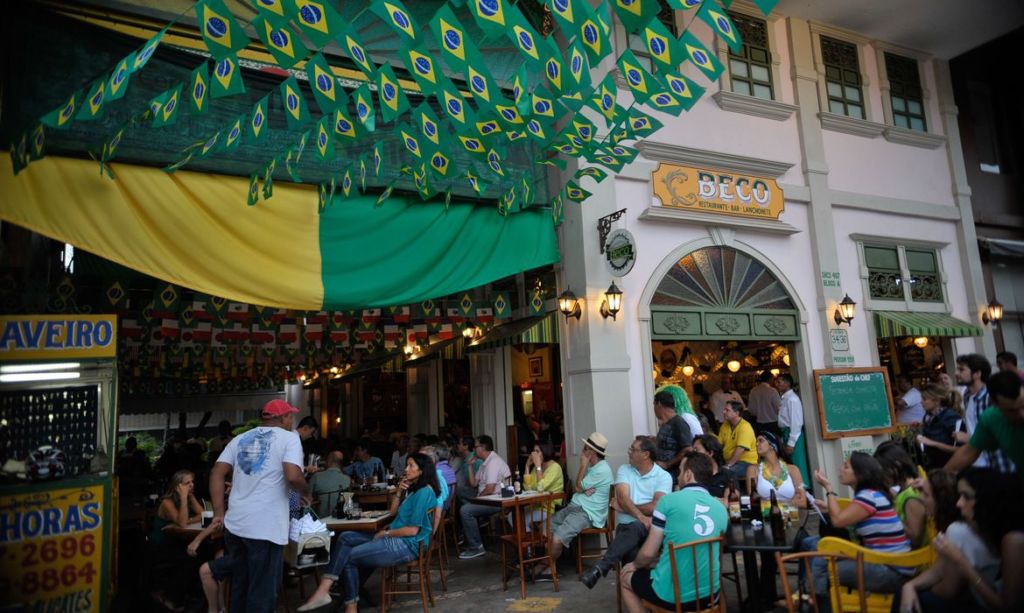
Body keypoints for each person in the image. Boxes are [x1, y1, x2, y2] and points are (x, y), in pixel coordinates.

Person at [297, 453, 439, 612]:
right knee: (345, 537)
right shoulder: (415, 490)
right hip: (397, 538)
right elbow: (392, 512)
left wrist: (385, 534)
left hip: (406, 545)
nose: (406, 469)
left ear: (422, 470)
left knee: (349, 557)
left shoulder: (424, 492)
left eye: (411, 465)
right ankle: (326, 588)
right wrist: (399, 491)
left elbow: (412, 530)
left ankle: (350, 605)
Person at [208, 399, 309, 613]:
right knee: (262, 594)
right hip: (265, 527)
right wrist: (305, 491)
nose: (292, 420)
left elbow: (216, 473)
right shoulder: (290, 438)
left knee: (241, 588)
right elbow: (292, 476)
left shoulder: (240, 439)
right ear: (283, 417)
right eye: (290, 416)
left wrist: (218, 512)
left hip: (236, 526)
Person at [897, 469, 1024, 613]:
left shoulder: (1015, 540)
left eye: (966, 497)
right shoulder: (979, 528)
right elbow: (940, 569)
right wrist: (910, 586)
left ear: (987, 500)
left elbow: (1006, 608)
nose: (958, 503)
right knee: (905, 592)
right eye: (959, 496)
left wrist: (960, 560)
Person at [620, 454, 728, 613]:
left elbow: (648, 553)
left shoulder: (667, 502)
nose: (677, 476)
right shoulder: (721, 509)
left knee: (625, 578)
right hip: (711, 596)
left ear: (688, 474)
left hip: (674, 597)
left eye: (680, 471)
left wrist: (634, 565)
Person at [803, 452, 912, 599]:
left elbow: (838, 520)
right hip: (886, 562)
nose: (840, 469)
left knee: (825, 569)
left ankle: (816, 603)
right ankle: (811, 599)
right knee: (821, 559)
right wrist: (829, 507)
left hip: (892, 571)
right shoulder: (871, 494)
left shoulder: (868, 496)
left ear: (860, 474)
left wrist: (828, 488)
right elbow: (850, 513)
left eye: (846, 467)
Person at [581, 436, 673, 589]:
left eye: (633, 449)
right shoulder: (624, 469)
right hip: (627, 529)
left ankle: (601, 568)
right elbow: (623, 498)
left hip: (653, 529)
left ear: (646, 454)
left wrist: (625, 508)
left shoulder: (663, 476)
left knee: (636, 531)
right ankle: (643, 593)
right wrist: (641, 516)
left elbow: (655, 507)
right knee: (632, 551)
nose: (629, 452)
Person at [544, 432, 615, 571]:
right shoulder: (594, 467)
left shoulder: (601, 469)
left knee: (557, 540)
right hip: (574, 507)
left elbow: (577, 487)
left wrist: (583, 466)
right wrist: (582, 489)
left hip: (585, 513)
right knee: (544, 527)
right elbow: (580, 487)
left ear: (592, 452)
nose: (582, 451)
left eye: (585, 448)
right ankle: (550, 561)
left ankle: (547, 568)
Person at [946, 370, 1024, 479]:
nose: (1022, 414)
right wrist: (937, 479)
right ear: (995, 404)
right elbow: (968, 452)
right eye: (1012, 410)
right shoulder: (992, 418)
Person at [147, 469, 205, 610]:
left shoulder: (188, 497)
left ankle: (188, 594)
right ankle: (171, 598)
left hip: (176, 541)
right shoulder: (167, 502)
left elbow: (203, 515)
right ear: (177, 486)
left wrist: (190, 497)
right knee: (188, 560)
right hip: (160, 545)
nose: (191, 485)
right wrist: (184, 498)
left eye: (192, 482)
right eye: (187, 483)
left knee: (199, 554)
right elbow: (183, 523)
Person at [952, 353, 1015, 471]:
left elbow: (1003, 435)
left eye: (961, 369)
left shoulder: (991, 397)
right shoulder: (966, 396)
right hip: (978, 463)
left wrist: (970, 439)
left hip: (998, 465)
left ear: (977, 374)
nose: (956, 373)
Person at [458, 435, 511, 559]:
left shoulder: (493, 462)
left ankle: (476, 547)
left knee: (465, 510)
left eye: (476, 446)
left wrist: (475, 501)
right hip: (486, 498)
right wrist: (470, 465)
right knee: (460, 491)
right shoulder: (484, 462)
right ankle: (477, 520)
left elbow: (489, 489)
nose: (474, 449)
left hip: (496, 501)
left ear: (482, 447)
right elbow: (473, 483)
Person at [874, 441, 928, 548]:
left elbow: (916, 539)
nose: (882, 476)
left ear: (897, 466)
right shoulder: (903, 491)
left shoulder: (911, 496)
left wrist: (890, 515)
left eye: (884, 470)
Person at [516, 442, 564, 536]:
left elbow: (540, 488)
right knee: (512, 516)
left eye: (537, 451)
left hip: (549, 509)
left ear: (545, 451)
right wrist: (527, 466)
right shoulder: (537, 467)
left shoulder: (555, 467)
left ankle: (529, 543)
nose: (534, 454)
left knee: (522, 520)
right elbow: (527, 487)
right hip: (535, 505)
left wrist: (538, 466)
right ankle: (529, 540)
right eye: (533, 451)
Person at [917, 383, 966, 468]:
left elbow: (963, 449)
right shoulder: (928, 417)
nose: (921, 402)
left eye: (924, 399)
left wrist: (933, 443)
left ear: (937, 401)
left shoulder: (950, 417)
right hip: (935, 467)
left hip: (950, 468)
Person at [754, 432, 806, 507]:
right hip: (765, 514)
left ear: (772, 445)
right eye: (756, 442)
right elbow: (753, 502)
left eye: (760, 441)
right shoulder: (754, 470)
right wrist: (789, 503)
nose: (756, 444)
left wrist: (775, 506)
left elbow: (803, 502)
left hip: (790, 513)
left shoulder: (793, 470)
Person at [652, 389, 694, 482]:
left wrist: (667, 464)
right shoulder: (666, 423)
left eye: (654, 405)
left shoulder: (679, 423)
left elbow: (688, 449)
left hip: (674, 475)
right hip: (663, 474)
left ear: (658, 404)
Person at [776, 373, 810, 484]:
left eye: (779, 382)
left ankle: (802, 488)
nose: (777, 385)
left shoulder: (792, 399)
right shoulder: (784, 399)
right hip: (786, 433)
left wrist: (791, 443)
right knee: (789, 463)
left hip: (793, 435)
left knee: (797, 463)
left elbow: (796, 422)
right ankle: (793, 487)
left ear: (787, 383)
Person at [719, 401, 758, 480]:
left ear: (736, 413)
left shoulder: (745, 427)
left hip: (746, 463)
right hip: (730, 461)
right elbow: (718, 444)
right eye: (724, 409)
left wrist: (729, 465)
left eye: (727, 410)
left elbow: (740, 449)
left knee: (725, 473)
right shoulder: (725, 425)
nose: (724, 412)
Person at [691, 435, 733, 503]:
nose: (692, 454)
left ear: (710, 453)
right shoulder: (692, 475)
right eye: (693, 450)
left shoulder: (728, 475)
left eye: (696, 450)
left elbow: (734, 501)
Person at [310, 450, 350, 518]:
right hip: (341, 518)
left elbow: (307, 498)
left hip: (320, 519)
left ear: (329, 461)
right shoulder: (347, 479)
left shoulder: (316, 477)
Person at [748, 370, 782, 437]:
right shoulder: (772, 391)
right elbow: (779, 408)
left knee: (761, 442)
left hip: (759, 424)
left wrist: (760, 413)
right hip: (773, 423)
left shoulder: (753, 391)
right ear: (770, 379)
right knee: (774, 442)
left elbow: (751, 410)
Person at [453, 435, 482, 504]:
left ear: (466, 446)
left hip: (477, 490)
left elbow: (479, 480)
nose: (457, 446)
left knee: (457, 490)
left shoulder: (474, 459)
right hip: (471, 488)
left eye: (459, 444)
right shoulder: (465, 459)